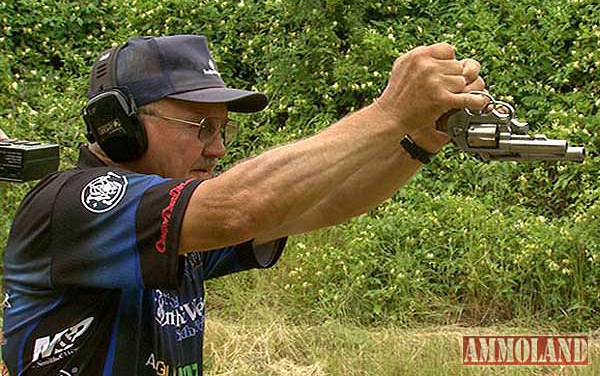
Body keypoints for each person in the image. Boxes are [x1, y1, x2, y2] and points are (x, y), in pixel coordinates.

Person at [1, 35, 486, 375]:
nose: (217, 148)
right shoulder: (72, 204)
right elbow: (240, 207)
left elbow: (325, 204)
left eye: (222, 129)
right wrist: (388, 113)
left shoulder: (175, 223)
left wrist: (418, 141)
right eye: (200, 127)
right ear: (118, 125)